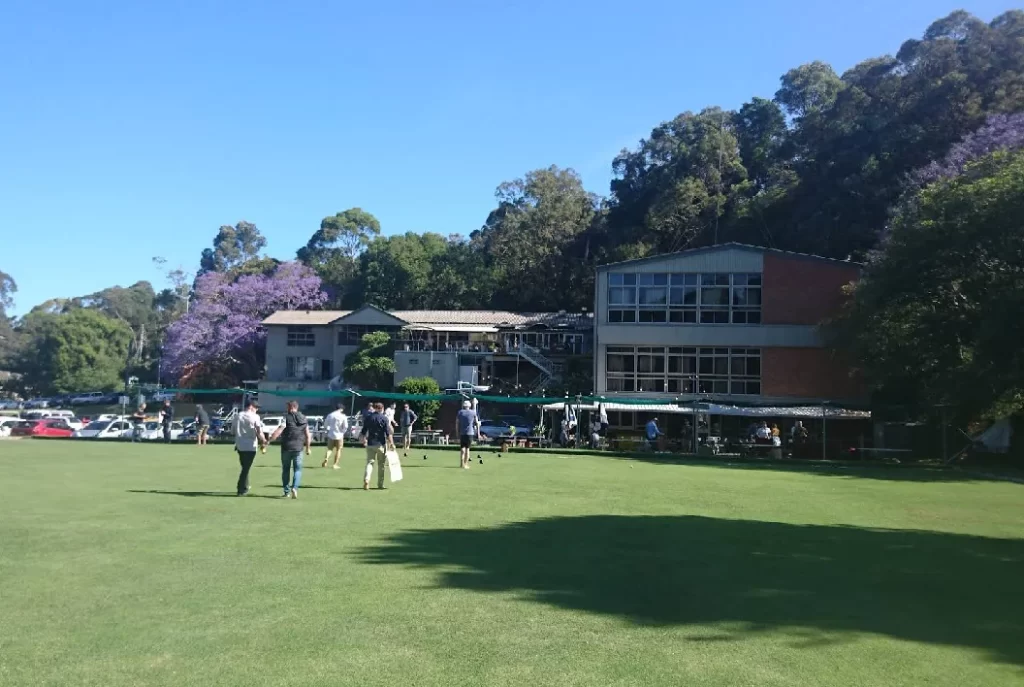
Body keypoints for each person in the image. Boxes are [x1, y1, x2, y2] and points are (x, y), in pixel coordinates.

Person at [269, 401, 311, 499]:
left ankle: (286, 491)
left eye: (287, 407)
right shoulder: (304, 418)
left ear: (291, 407)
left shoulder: (286, 418)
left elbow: (280, 430)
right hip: (299, 448)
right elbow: (308, 435)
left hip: (286, 447)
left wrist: (269, 440)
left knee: (286, 469)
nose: (286, 409)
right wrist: (308, 448)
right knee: (298, 470)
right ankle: (295, 488)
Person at [232, 400, 267, 496]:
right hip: (251, 445)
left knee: (245, 466)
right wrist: (264, 440)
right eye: (256, 407)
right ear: (251, 406)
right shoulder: (255, 417)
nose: (257, 409)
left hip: (240, 445)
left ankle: (245, 485)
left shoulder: (237, 416)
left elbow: (233, 431)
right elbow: (259, 431)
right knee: (246, 468)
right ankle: (240, 488)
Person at [359, 402, 393, 489]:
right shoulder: (384, 418)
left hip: (370, 443)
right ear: (382, 409)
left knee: (370, 463)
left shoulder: (368, 417)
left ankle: (367, 479)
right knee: (381, 465)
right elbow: (388, 433)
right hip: (381, 444)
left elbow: (363, 431)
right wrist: (391, 443)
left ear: (374, 408)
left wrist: (363, 440)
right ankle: (380, 484)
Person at [322, 403, 348, 469]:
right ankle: (335, 464)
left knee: (330, 449)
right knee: (338, 450)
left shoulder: (330, 415)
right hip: (339, 435)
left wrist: (328, 430)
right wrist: (342, 432)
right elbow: (345, 426)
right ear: (341, 409)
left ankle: (326, 458)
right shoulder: (343, 416)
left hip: (331, 434)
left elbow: (325, 425)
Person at [455, 400, 477, 469]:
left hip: (462, 433)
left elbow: (457, 423)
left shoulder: (460, 412)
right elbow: (476, 422)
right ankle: (466, 464)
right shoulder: (472, 412)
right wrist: (475, 404)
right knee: (467, 449)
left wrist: (457, 432)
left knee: (462, 449)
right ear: (469, 406)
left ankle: (461, 464)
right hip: (470, 433)